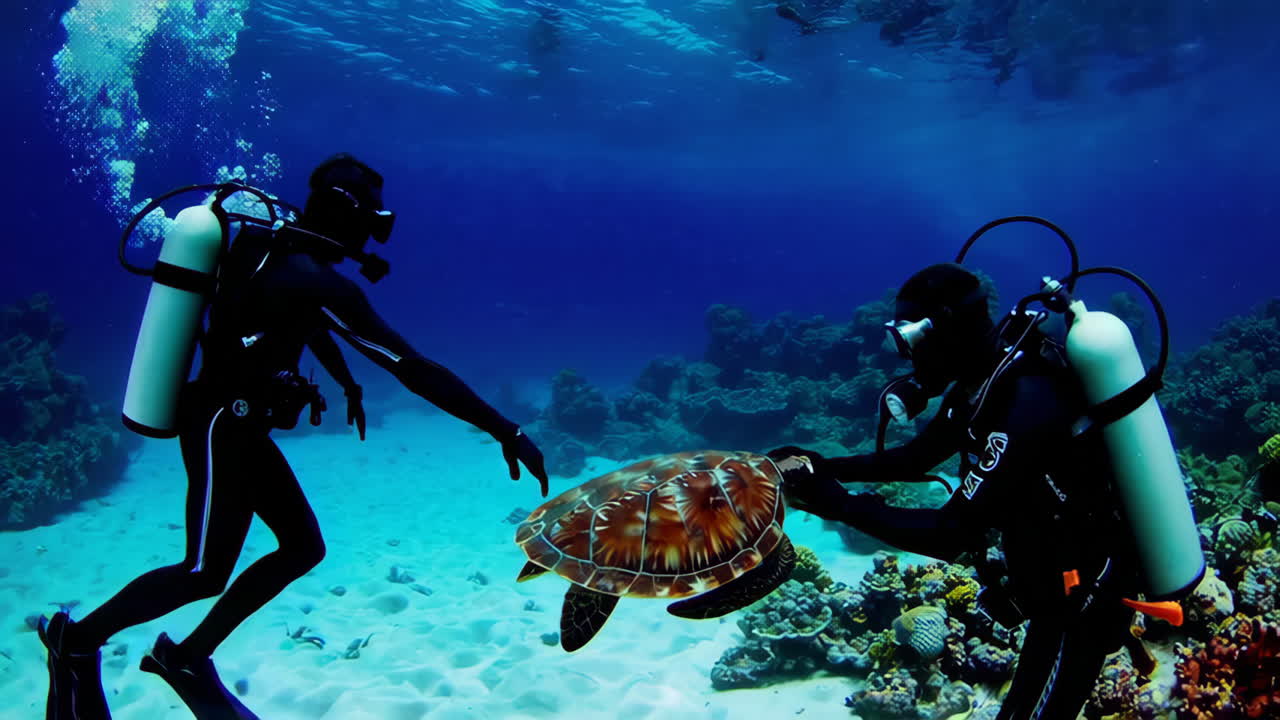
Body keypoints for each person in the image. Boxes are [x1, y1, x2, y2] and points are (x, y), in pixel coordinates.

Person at [37, 153, 549, 720]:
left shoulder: (268, 249)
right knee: (201, 571)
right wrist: (506, 428)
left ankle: (185, 657)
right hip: (219, 423)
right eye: (372, 219)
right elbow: (411, 366)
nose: (374, 234)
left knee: (302, 548)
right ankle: (75, 640)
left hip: (238, 424)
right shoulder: (316, 281)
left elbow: (301, 322)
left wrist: (347, 382)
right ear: (346, 214)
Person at [771, 263, 1146, 720]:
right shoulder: (983, 381)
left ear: (945, 328)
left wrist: (835, 503)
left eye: (910, 341)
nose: (909, 359)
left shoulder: (1027, 395)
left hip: (1077, 599)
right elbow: (914, 459)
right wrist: (817, 465)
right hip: (1043, 576)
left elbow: (951, 532)